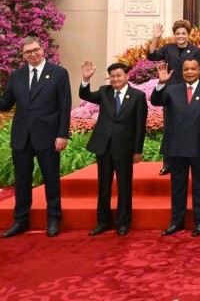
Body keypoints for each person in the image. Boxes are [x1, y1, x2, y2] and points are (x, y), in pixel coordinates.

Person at [0, 37, 71, 238]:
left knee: (51, 179)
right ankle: (21, 220)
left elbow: (64, 106)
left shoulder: (58, 73)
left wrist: (62, 134)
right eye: (27, 52)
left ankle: (54, 219)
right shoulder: (16, 76)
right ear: (23, 55)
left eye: (35, 50)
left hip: (48, 136)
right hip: (22, 136)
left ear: (42, 50)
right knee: (22, 181)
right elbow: (6, 103)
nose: (32, 54)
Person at [150, 57, 200, 236]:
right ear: (182, 71)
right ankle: (177, 222)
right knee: (178, 185)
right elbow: (156, 101)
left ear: (199, 71)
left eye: (193, 69)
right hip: (176, 146)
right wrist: (161, 83)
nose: (189, 72)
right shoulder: (172, 90)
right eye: (186, 69)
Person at [79, 60, 147, 236]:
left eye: (119, 75)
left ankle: (123, 223)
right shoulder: (104, 92)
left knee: (124, 186)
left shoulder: (137, 95)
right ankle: (103, 222)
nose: (115, 79)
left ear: (127, 76)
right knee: (103, 185)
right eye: (112, 76)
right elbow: (85, 95)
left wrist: (137, 150)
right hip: (104, 146)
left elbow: (141, 125)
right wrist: (86, 79)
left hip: (125, 147)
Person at [148, 20, 200, 175]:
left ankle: (190, 159)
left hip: (190, 92)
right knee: (170, 127)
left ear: (188, 34)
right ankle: (168, 163)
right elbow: (152, 56)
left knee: (191, 126)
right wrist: (155, 38)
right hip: (171, 93)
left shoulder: (195, 51)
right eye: (177, 33)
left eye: (183, 33)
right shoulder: (167, 49)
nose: (180, 36)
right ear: (174, 35)